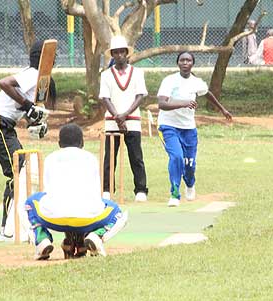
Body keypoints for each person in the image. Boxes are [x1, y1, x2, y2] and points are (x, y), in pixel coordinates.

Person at [0, 40, 54, 241]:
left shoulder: (40, 79)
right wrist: (27, 105)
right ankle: (7, 230)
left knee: (22, 170)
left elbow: (29, 115)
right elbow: (3, 83)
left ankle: (10, 227)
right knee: (18, 171)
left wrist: (37, 123)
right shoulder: (32, 73)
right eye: (50, 56)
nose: (53, 60)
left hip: (5, 125)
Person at [25, 123, 128, 260]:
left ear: (59, 143)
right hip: (88, 218)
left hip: (53, 218)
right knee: (117, 212)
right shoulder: (91, 158)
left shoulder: (50, 158)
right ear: (82, 143)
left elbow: (47, 191)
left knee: (29, 203)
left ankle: (42, 239)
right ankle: (97, 235)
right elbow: (95, 194)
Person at [157, 52, 233, 207]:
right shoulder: (169, 80)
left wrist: (222, 109)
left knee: (189, 164)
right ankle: (175, 193)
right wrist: (184, 103)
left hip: (188, 128)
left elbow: (207, 93)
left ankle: (190, 184)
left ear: (192, 64)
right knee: (177, 157)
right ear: (178, 63)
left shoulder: (196, 82)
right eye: (182, 60)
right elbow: (162, 104)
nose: (185, 63)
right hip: (168, 125)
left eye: (188, 60)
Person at [99, 35, 149, 202]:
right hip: (112, 121)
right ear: (112, 54)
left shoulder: (137, 73)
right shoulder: (106, 75)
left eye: (122, 52)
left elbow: (140, 96)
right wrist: (117, 117)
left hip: (132, 120)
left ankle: (140, 190)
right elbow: (105, 98)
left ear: (127, 53)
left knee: (136, 157)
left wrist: (125, 115)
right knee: (109, 157)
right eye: (116, 52)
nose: (119, 55)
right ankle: (107, 189)